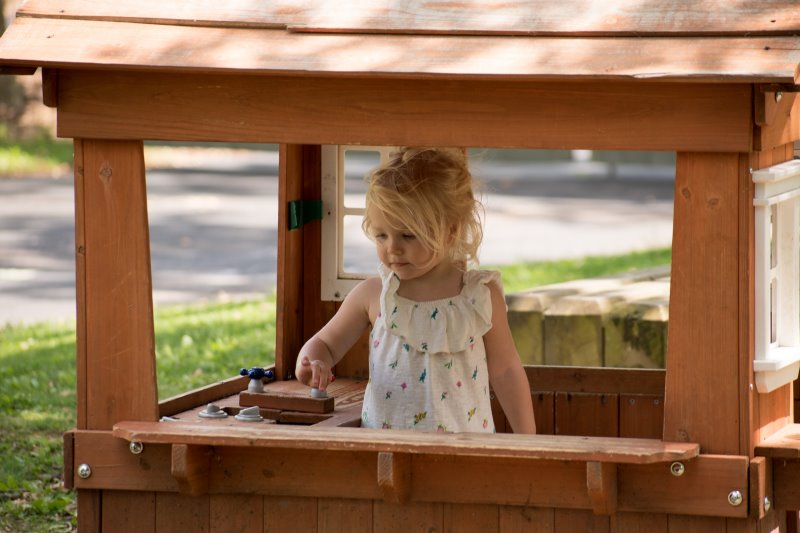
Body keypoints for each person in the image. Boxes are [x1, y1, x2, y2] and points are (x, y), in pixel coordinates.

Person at [295, 147, 536, 434]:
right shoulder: (373, 295)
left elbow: (506, 370)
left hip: (468, 458)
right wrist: (311, 362)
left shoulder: (480, 296)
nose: (392, 248)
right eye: (381, 235)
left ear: (450, 230)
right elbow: (325, 343)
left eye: (407, 235)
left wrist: (529, 440)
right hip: (386, 456)